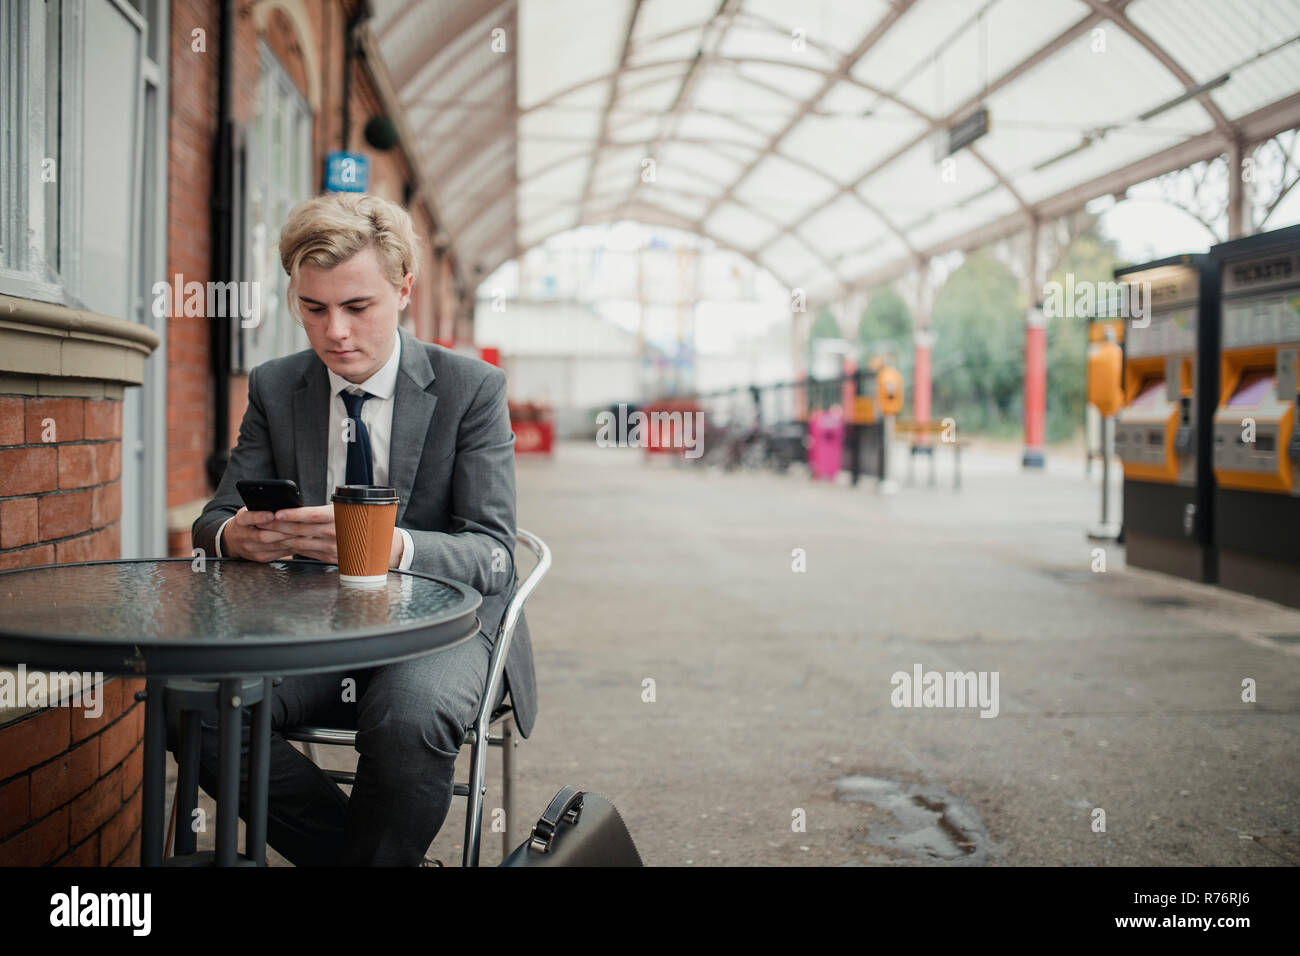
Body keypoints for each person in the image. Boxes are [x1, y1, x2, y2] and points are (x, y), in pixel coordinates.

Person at [179, 192, 536, 865]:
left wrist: (386, 545)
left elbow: (494, 557)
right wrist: (236, 538)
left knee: (408, 718)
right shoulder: (278, 386)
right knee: (192, 705)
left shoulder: (472, 389)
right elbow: (213, 521)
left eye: (357, 307)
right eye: (313, 309)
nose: (334, 332)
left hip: (445, 624)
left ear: (404, 291)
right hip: (315, 626)